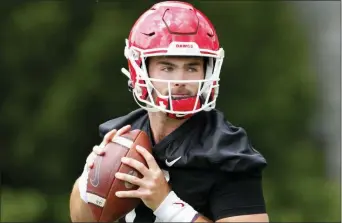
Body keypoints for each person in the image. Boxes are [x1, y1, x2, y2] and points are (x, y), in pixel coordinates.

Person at [69, 1, 269, 222]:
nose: (180, 81)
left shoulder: (227, 151)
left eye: (192, 67)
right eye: (167, 68)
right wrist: (89, 179)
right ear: (140, 70)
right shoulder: (121, 136)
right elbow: (81, 220)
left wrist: (166, 204)